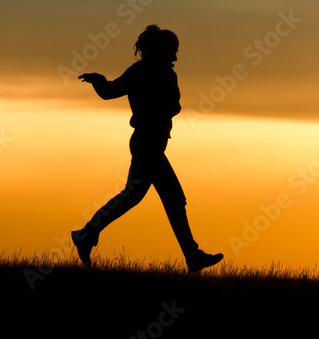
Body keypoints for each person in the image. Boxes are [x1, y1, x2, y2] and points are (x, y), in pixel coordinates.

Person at [71, 24, 223, 273]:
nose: (175, 55)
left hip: (147, 143)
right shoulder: (154, 73)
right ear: (161, 48)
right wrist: (99, 82)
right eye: (173, 50)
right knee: (171, 198)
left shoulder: (147, 71)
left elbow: (112, 92)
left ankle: (87, 233)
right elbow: (170, 105)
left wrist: (99, 82)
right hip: (148, 145)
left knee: (135, 196)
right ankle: (192, 256)